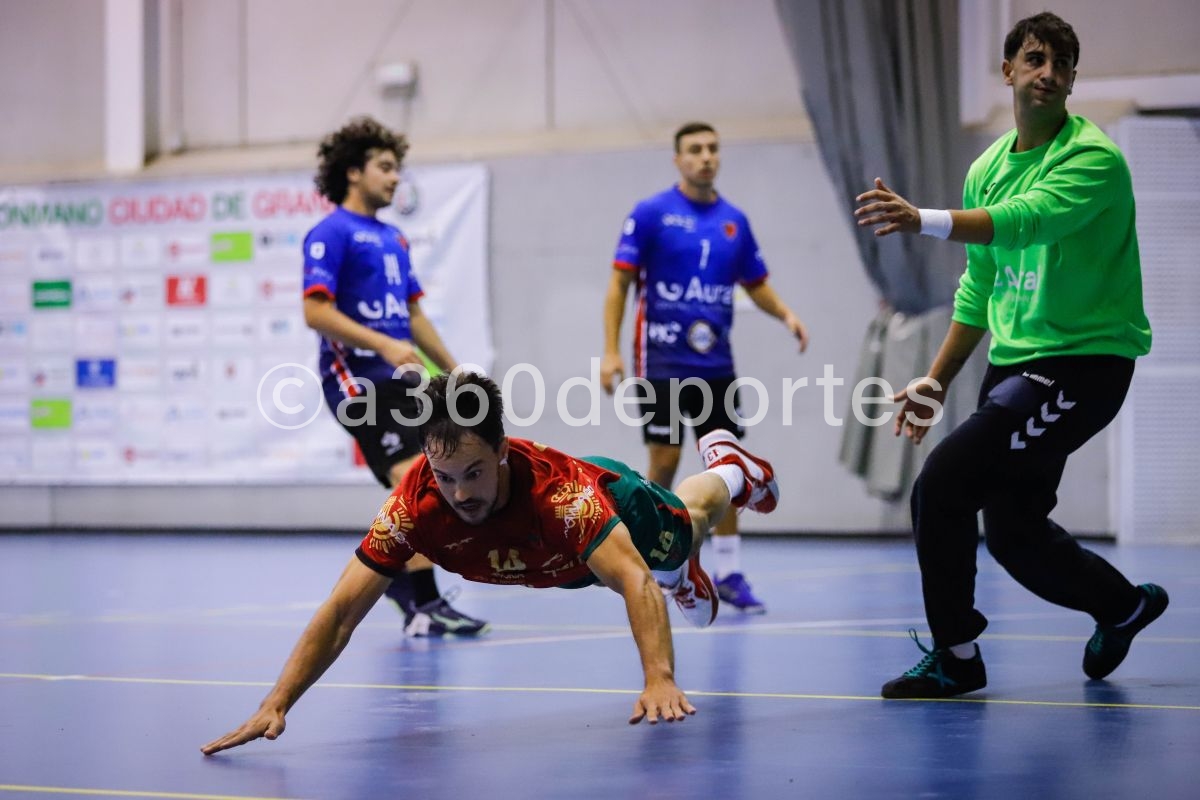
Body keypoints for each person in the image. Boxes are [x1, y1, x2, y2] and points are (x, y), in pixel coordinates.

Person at [201, 372, 780, 754]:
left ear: (502, 449)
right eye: (446, 476)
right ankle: (680, 570)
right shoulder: (415, 505)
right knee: (659, 569)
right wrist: (275, 703)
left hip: (614, 513)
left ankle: (732, 468)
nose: (460, 492)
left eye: (474, 472)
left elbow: (629, 579)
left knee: (685, 527)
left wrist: (659, 678)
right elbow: (341, 613)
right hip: (557, 563)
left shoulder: (563, 498)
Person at [854, 12, 1167, 699]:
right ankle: (1123, 606)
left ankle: (957, 657)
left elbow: (1030, 219)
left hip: (1084, 363)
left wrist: (924, 219)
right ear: (1009, 71)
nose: (1048, 73)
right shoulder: (987, 169)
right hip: (1018, 362)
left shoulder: (1094, 159)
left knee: (942, 483)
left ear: (1073, 80)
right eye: (1034, 58)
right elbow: (981, 285)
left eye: (1062, 64)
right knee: (1015, 533)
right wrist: (935, 381)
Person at [600, 121, 808, 615]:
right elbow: (618, 285)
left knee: (728, 464)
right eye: (694, 150)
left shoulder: (734, 220)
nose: (706, 157)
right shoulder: (651, 214)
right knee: (665, 464)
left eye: (713, 148)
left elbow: (754, 281)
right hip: (663, 363)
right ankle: (656, 559)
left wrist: (785, 313)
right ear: (678, 159)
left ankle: (730, 572)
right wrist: (610, 351)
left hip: (717, 366)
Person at [302, 115, 488, 637]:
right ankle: (424, 603)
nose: (394, 178)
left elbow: (414, 316)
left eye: (397, 168)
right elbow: (315, 311)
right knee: (411, 477)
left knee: (440, 473)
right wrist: (381, 343)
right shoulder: (331, 232)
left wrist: (454, 372)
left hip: (403, 380)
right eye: (384, 167)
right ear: (354, 172)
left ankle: (406, 587)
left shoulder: (394, 239)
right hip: (355, 379)